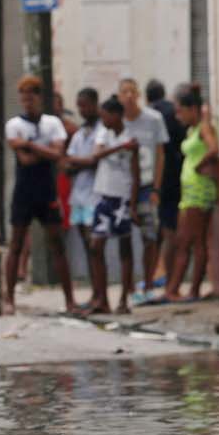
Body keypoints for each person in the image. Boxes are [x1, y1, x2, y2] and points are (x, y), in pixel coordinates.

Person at [2, 75, 75, 316]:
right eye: (24, 97)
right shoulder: (14, 124)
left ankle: (69, 299)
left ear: (39, 98)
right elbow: (24, 158)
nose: (28, 102)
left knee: (57, 244)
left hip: (47, 189)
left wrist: (32, 146)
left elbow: (58, 154)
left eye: (32, 97)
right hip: (24, 190)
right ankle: (9, 298)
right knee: (16, 244)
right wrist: (44, 151)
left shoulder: (52, 123)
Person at [82, 96, 140, 315]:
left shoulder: (131, 136)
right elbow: (96, 155)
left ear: (116, 115)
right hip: (102, 194)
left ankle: (124, 299)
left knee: (125, 247)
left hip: (122, 196)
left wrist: (133, 204)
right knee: (96, 245)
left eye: (106, 116)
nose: (103, 119)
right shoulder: (104, 133)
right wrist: (119, 147)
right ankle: (102, 298)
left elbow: (135, 173)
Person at [163, 89, 218, 304]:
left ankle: (190, 289)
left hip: (199, 190)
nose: (179, 117)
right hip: (188, 192)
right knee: (183, 240)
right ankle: (175, 288)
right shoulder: (191, 130)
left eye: (181, 111)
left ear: (192, 109)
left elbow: (214, 148)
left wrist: (199, 165)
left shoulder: (204, 128)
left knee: (193, 240)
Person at [117, 78, 169, 303]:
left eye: (132, 91)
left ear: (138, 94)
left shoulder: (153, 119)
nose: (128, 95)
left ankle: (148, 283)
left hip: (148, 185)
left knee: (150, 235)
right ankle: (127, 287)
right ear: (119, 97)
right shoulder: (116, 122)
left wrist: (157, 187)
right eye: (124, 92)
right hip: (124, 187)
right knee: (124, 237)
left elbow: (160, 155)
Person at [63, 88, 105, 304]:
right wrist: (79, 163)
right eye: (79, 105)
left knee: (95, 246)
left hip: (94, 195)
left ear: (95, 103)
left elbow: (93, 160)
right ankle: (94, 292)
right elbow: (67, 163)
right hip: (78, 195)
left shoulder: (102, 130)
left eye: (86, 105)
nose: (82, 109)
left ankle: (100, 293)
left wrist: (77, 162)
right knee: (86, 246)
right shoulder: (80, 133)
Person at [149, 79, 188, 288]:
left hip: (159, 180)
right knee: (169, 228)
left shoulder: (151, 116)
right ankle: (165, 276)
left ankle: (161, 277)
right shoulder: (172, 114)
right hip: (179, 178)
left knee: (165, 230)